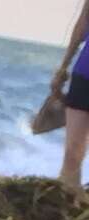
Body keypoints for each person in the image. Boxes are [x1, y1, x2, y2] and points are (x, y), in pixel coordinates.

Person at [55, 0, 89, 188]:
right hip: (85, 74)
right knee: (72, 154)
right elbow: (82, 25)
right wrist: (63, 67)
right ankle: (67, 204)